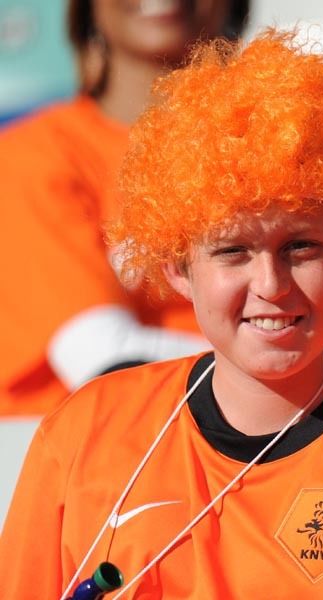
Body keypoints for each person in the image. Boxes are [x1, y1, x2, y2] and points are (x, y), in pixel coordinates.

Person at [0, 30, 323, 599]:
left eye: (301, 248)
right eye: (232, 252)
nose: (271, 286)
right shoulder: (84, 432)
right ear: (177, 270)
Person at [0, 0, 251, 416]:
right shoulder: (31, 155)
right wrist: (297, 362)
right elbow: (102, 358)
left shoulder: (280, 150)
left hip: (264, 445)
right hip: (85, 452)